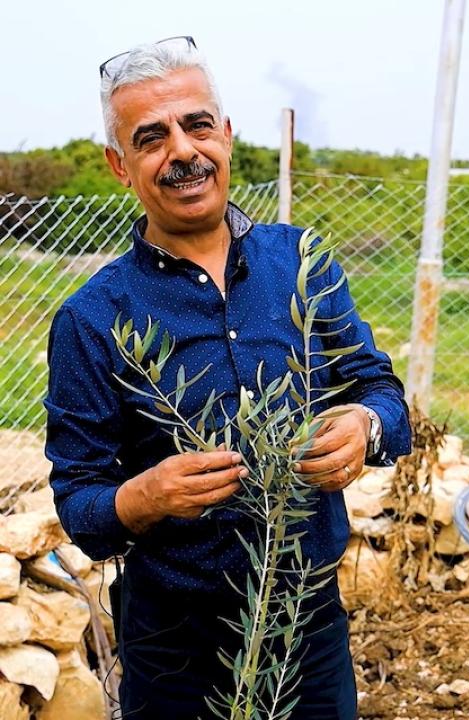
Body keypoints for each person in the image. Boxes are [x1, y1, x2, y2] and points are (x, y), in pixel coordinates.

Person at [45, 36, 411, 720]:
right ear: (119, 166)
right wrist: (145, 496)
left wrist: (364, 427)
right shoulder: (91, 319)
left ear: (228, 137)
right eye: (151, 138)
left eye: (197, 124)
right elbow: (80, 505)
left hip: (310, 624)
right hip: (175, 647)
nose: (182, 151)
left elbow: (384, 395)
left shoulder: (303, 262)